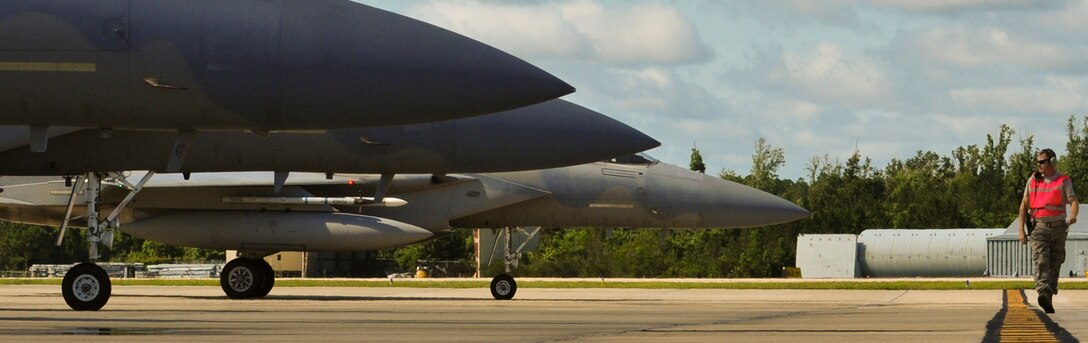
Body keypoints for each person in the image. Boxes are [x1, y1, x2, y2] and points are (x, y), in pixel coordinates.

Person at [1018, 148, 1079, 314]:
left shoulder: (1063, 181)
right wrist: (1021, 231)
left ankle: (1048, 295)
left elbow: (1073, 201)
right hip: (1039, 228)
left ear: (1052, 162)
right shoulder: (1033, 181)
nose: (1039, 165)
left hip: (1059, 228)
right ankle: (1043, 291)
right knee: (1042, 260)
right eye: (1038, 162)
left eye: (1042, 161)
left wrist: (1073, 216)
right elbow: (1024, 206)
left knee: (1056, 262)